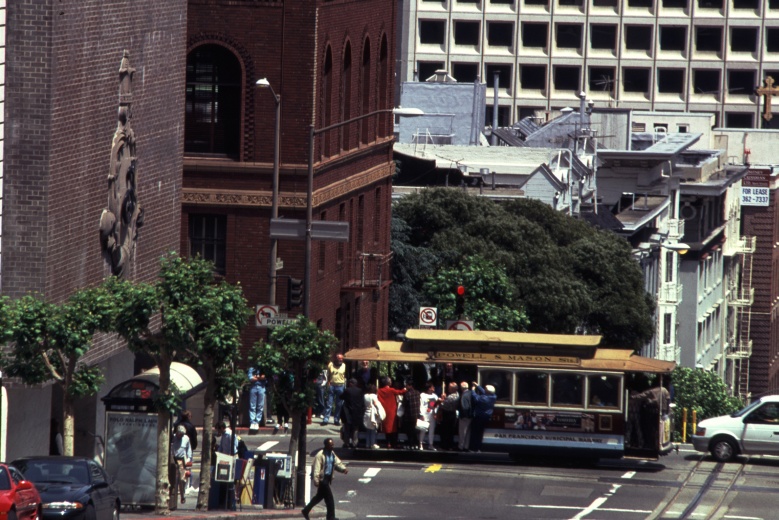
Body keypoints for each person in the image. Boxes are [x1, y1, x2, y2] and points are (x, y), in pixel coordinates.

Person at [301, 438, 348, 520]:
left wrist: (343, 469)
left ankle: (306, 510)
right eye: (330, 445)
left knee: (318, 497)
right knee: (330, 500)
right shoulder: (320, 455)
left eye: (332, 444)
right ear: (326, 445)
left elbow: (337, 463)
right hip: (322, 480)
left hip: (328, 479)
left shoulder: (332, 454)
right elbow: (316, 469)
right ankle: (331, 517)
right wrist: (316, 480)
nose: (332, 446)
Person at [377, 376, 406, 449]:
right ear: (389, 383)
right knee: (393, 427)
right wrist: (405, 389)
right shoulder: (391, 390)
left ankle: (388, 442)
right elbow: (400, 392)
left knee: (386, 428)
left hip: (384, 411)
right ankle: (394, 443)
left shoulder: (379, 391)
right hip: (392, 411)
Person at [469, 383, 497, 452]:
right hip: (486, 417)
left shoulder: (483, 399)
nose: (484, 390)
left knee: (475, 433)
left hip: (479, 417)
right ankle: (478, 448)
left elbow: (475, 397)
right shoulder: (494, 397)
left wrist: (472, 390)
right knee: (480, 433)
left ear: (487, 391)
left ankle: (473, 448)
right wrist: (477, 386)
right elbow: (484, 392)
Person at [339, 378, 365, 448]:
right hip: (357, 413)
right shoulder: (360, 391)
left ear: (351, 383)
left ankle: (346, 443)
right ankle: (355, 443)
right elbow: (362, 401)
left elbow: (341, 397)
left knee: (347, 428)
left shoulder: (347, 390)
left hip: (348, 412)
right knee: (355, 429)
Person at [323, 353, 346, 426]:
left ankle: (336, 420)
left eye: (341, 358)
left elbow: (345, 375)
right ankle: (326, 419)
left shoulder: (344, 366)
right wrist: (328, 383)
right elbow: (328, 375)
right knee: (329, 403)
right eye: (339, 358)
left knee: (339, 404)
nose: (340, 360)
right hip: (332, 385)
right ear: (336, 358)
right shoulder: (330, 365)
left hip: (340, 386)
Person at [171, 425, 192, 504]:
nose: (181, 436)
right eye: (180, 434)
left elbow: (188, 449)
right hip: (173, 458)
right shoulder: (173, 437)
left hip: (181, 459)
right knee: (173, 478)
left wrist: (189, 459)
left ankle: (182, 496)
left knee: (182, 479)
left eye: (182, 435)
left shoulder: (186, 438)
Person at [400, 379, 422, 450]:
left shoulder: (407, 394)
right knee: (415, 430)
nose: (406, 386)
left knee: (409, 431)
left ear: (410, 386)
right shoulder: (418, 393)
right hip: (416, 415)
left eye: (407, 385)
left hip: (409, 416)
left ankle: (411, 444)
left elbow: (404, 404)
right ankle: (416, 444)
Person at [438, 382, 459, 451]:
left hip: (448, 414)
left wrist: (442, 399)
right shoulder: (457, 394)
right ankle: (450, 445)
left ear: (453, 389)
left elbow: (443, 406)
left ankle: (445, 446)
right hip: (453, 414)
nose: (448, 389)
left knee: (445, 431)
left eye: (449, 388)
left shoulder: (451, 397)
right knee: (451, 431)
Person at [363, 384, 384, 449]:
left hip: (366, 413)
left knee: (368, 430)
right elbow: (375, 404)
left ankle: (367, 443)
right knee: (373, 430)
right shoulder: (374, 396)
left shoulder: (365, 395)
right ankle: (373, 443)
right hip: (372, 414)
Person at [419, 381, 439, 450]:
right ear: (429, 388)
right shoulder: (422, 395)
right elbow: (421, 405)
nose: (434, 388)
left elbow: (437, 406)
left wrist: (435, 413)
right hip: (425, 414)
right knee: (423, 429)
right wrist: (421, 414)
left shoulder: (435, 396)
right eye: (432, 387)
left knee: (431, 430)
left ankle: (430, 444)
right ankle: (420, 443)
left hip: (432, 415)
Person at [247, 363, 267, 430]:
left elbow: (265, 377)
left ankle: (257, 422)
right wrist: (259, 377)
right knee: (252, 405)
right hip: (253, 387)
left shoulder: (264, 369)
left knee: (260, 405)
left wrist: (256, 377)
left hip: (261, 387)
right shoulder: (252, 369)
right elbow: (251, 378)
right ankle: (252, 422)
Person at [457, 381, 474, 451]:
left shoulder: (464, 395)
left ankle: (461, 446)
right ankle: (466, 447)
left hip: (465, 416)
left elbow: (464, 407)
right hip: (470, 416)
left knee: (462, 432)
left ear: (461, 388)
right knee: (468, 432)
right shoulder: (471, 393)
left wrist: (464, 415)